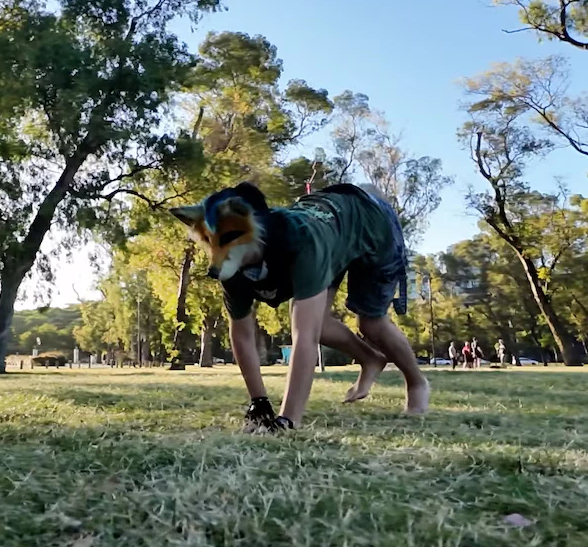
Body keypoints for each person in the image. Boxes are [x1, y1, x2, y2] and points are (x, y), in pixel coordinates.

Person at [169, 181, 430, 432]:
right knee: (321, 326)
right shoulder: (233, 271)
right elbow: (242, 335)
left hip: (371, 224)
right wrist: (259, 402)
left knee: (371, 324)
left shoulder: (303, 244)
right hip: (334, 232)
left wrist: (287, 420)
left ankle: (417, 383)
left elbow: (304, 337)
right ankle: (370, 359)